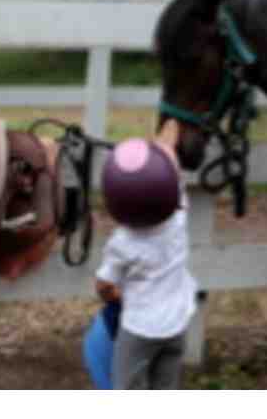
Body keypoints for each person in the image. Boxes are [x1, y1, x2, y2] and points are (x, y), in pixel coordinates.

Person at [94, 120, 197, 390]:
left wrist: (115, 297)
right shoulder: (179, 216)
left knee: (127, 387)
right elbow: (169, 158)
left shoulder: (123, 243)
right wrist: (171, 125)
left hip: (140, 330)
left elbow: (104, 284)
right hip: (177, 324)